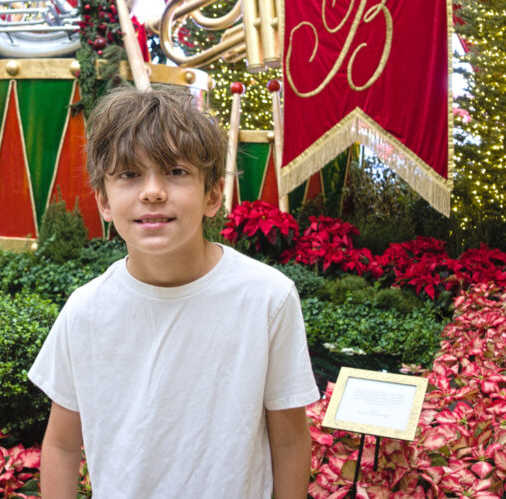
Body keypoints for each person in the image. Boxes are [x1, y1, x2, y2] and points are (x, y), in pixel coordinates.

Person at [29, 86, 319, 498]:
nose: (152, 192)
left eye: (176, 172)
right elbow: (60, 445)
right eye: (130, 175)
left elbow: (289, 441)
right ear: (104, 202)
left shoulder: (267, 298)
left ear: (213, 194)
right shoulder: (86, 310)